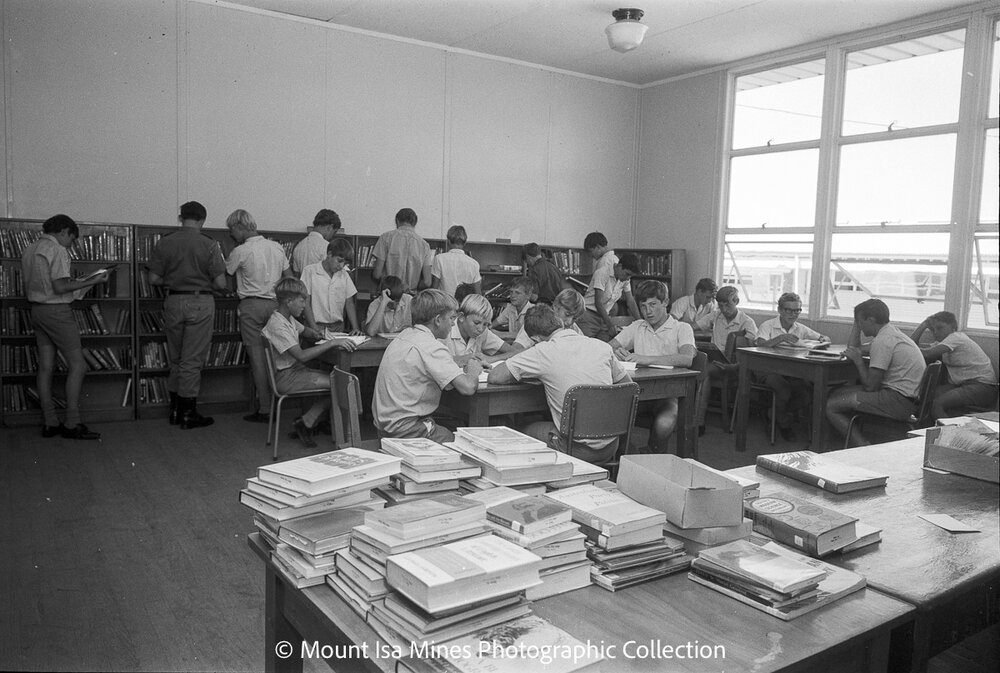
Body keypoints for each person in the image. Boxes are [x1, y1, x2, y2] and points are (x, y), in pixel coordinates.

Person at [488, 304, 632, 464]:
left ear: (535, 339)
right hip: (611, 445)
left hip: (574, 449)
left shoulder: (542, 350)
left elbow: (495, 376)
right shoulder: (601, 346)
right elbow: (629, 388)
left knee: (517, 430)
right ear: (560, 323)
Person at [21, 214, 110, 439]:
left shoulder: (30, 249)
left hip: (37, 311)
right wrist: (93, 281)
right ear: (64, 232)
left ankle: (50, 421)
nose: (72, 244)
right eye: (72, 238)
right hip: (57, 313)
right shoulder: (58, 250)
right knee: (78, 366)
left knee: (45, 367)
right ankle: (72, 422)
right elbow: (60, 288)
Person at [147, 201, 227, 429]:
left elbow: (153, 279)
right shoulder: (209, 244)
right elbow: (220, 282)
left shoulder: (165, 242)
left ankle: (174, 410)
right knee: (192, 360)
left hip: (173, 301)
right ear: (202, 220)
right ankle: (188, 414)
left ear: (181, 218)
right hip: (200, 301)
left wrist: (174, 280)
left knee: (176, 358)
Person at [372, 289, 482, 442]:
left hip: (385, 427)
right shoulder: (431, 346)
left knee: (445, 423)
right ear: (437, 320)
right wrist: (473, 371)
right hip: (406, 431)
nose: (453, 323)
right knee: (462, 442)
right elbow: (468, 387)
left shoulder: (404, 335)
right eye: (451, 318)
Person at [261, 278, 358, 448]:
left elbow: (305, 331)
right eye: (302, 300)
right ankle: (309, 422)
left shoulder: (286, 318)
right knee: (341, 383)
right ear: (288, 301)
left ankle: (308, 421)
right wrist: (332, 343)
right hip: (286, 377)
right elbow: (302, 356)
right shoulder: (278, 325)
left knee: (339, 378)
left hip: (294, 371)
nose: (305, 305)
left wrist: (316, 334)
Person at [610, 280, 696, 453]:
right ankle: (629, 455)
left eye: (653, 304)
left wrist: (645, 359)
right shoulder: (637, 326)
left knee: (663, 424)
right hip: (638, 394)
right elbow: (607, 347)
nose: (647, 312)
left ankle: (651, 455)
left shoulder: (682, 328)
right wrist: (615, 352)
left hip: (669, 394)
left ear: (665, 302)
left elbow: (687, 358)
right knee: (612, 416)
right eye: (643, 306)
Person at [826, 299, 926, 447]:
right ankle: (843, 441)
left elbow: (870, 387)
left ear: (871, 320)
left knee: (831, 405)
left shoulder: (883, 341)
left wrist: (859, 362)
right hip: (906, 398)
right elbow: (854, 348)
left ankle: (862, 446)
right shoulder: (890, 333)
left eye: (860, 322)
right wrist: (857, 323)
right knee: (836, 392)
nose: (859, 325)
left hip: (897, 402)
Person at [224, 208, 290, 423]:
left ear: (239, 227)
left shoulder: (240, 251)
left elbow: (226, 277)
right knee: (278, 356)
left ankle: (265, 409)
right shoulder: (277, 247)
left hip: (251, 306)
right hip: (275, 305)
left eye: (232, 230)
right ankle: (283, 402)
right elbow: (289, 279)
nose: (231, 234)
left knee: (257, 359)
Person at [755, 292, 830, 441]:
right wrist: (781, 338)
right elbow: (760, 344)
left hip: (790, 370)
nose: (793, 314)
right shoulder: (768, 325)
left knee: (807, 393)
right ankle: (783, 423)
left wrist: (821, 341)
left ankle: (774, 413)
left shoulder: (800, 328)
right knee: (783, 388)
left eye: (797, 310)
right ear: (780, 310)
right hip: (766, 369)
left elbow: (825, 338)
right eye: (789, 310)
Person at [910, 311, 997, 419]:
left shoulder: (956, 337)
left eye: (940, 328)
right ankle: (925, 428)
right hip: (964, 384)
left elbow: (925, 353)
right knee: (927, 395)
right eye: (933, 329)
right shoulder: (942, 343)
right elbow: (911, 345)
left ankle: (950, 434)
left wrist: (910, 348)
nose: (935, 333)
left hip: (983, 387)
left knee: (936, 404)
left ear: (953, 327)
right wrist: (923, 326)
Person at [694, 285, 758, 432]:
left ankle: (698, 421)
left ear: (736, 301)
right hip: (714, 361)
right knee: (696, 366)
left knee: (704, 372)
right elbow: (694, 326)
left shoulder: (747, 322)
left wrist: (735, 366)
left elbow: (751, 352)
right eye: (720, 305)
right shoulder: (716, 315)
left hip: (733, 366)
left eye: (727, 304)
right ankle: (693, 417)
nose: (723, 309)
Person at [576, 232, 640, 342]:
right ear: (619, 267)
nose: (627, 278)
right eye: (627, 275)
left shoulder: (622, 273)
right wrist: (610, 325)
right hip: (590, 315)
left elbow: (630, 301)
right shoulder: (605, 266)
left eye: (591, 252)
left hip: (604, 317)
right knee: (586, 348)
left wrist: (641, 323)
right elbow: (598, 302)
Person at [301, 237, 362, 335]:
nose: (341, 266)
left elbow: (349, 303)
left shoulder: (344, 275)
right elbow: (306, 302)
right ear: (329, 254)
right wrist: (314, 328)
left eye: (345, 263)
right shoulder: (309, 271)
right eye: (339, 261)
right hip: (316, 325)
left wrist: (355, 328)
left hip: (338, 326)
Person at [443, 294, 517, 365]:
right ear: (461, 317)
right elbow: (436, 362)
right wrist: (463, 359)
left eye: (485, 324)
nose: (481, 329)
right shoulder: (444, 331)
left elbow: (514, 352)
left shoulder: (484, 332)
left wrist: (492, 358)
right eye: (476, 323)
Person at [371, 207, 432, 292]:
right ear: (415, 223)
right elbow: (427, 282)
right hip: (411, 295)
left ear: (397, 221)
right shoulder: (424, 245)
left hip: (389, 293)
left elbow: (377, 274)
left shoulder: (385, 238)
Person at [512, 288, 586, 350]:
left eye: (574, 318)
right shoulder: (536, 322)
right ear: (555, 307)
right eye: (567, 314)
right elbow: (516, 349)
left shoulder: (574, 329)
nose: (569, 322)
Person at [431, 225, 482, 297]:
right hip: (464, 305)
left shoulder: (439, 259)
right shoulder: (474, 264)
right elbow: (478, 295)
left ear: (448, 241)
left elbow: (434, 290)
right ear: (465, 243)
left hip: (445, 304)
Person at [290, 209, 342, 277]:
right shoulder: (326, 246)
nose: (332, 236)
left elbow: (297, 274)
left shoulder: (298, 247)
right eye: (334, 232)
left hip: (303, 286)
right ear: (329, 227)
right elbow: (335, 274)